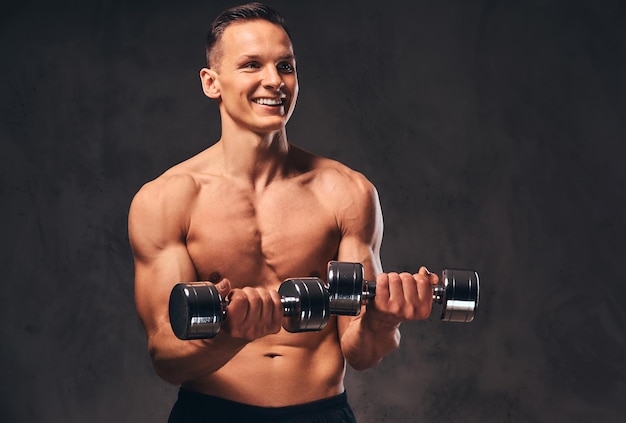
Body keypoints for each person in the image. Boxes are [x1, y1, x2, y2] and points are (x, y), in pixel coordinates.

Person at [128, 3, 438, 422]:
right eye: (252, 65)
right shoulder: (166, 200)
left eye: (286, 66)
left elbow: (360, 352)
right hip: (211, 414)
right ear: (211, 82)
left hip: (321, 413)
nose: (274, 81)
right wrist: (230, 336)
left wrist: (382, 322)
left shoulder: (346, 191)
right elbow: (166, 357)